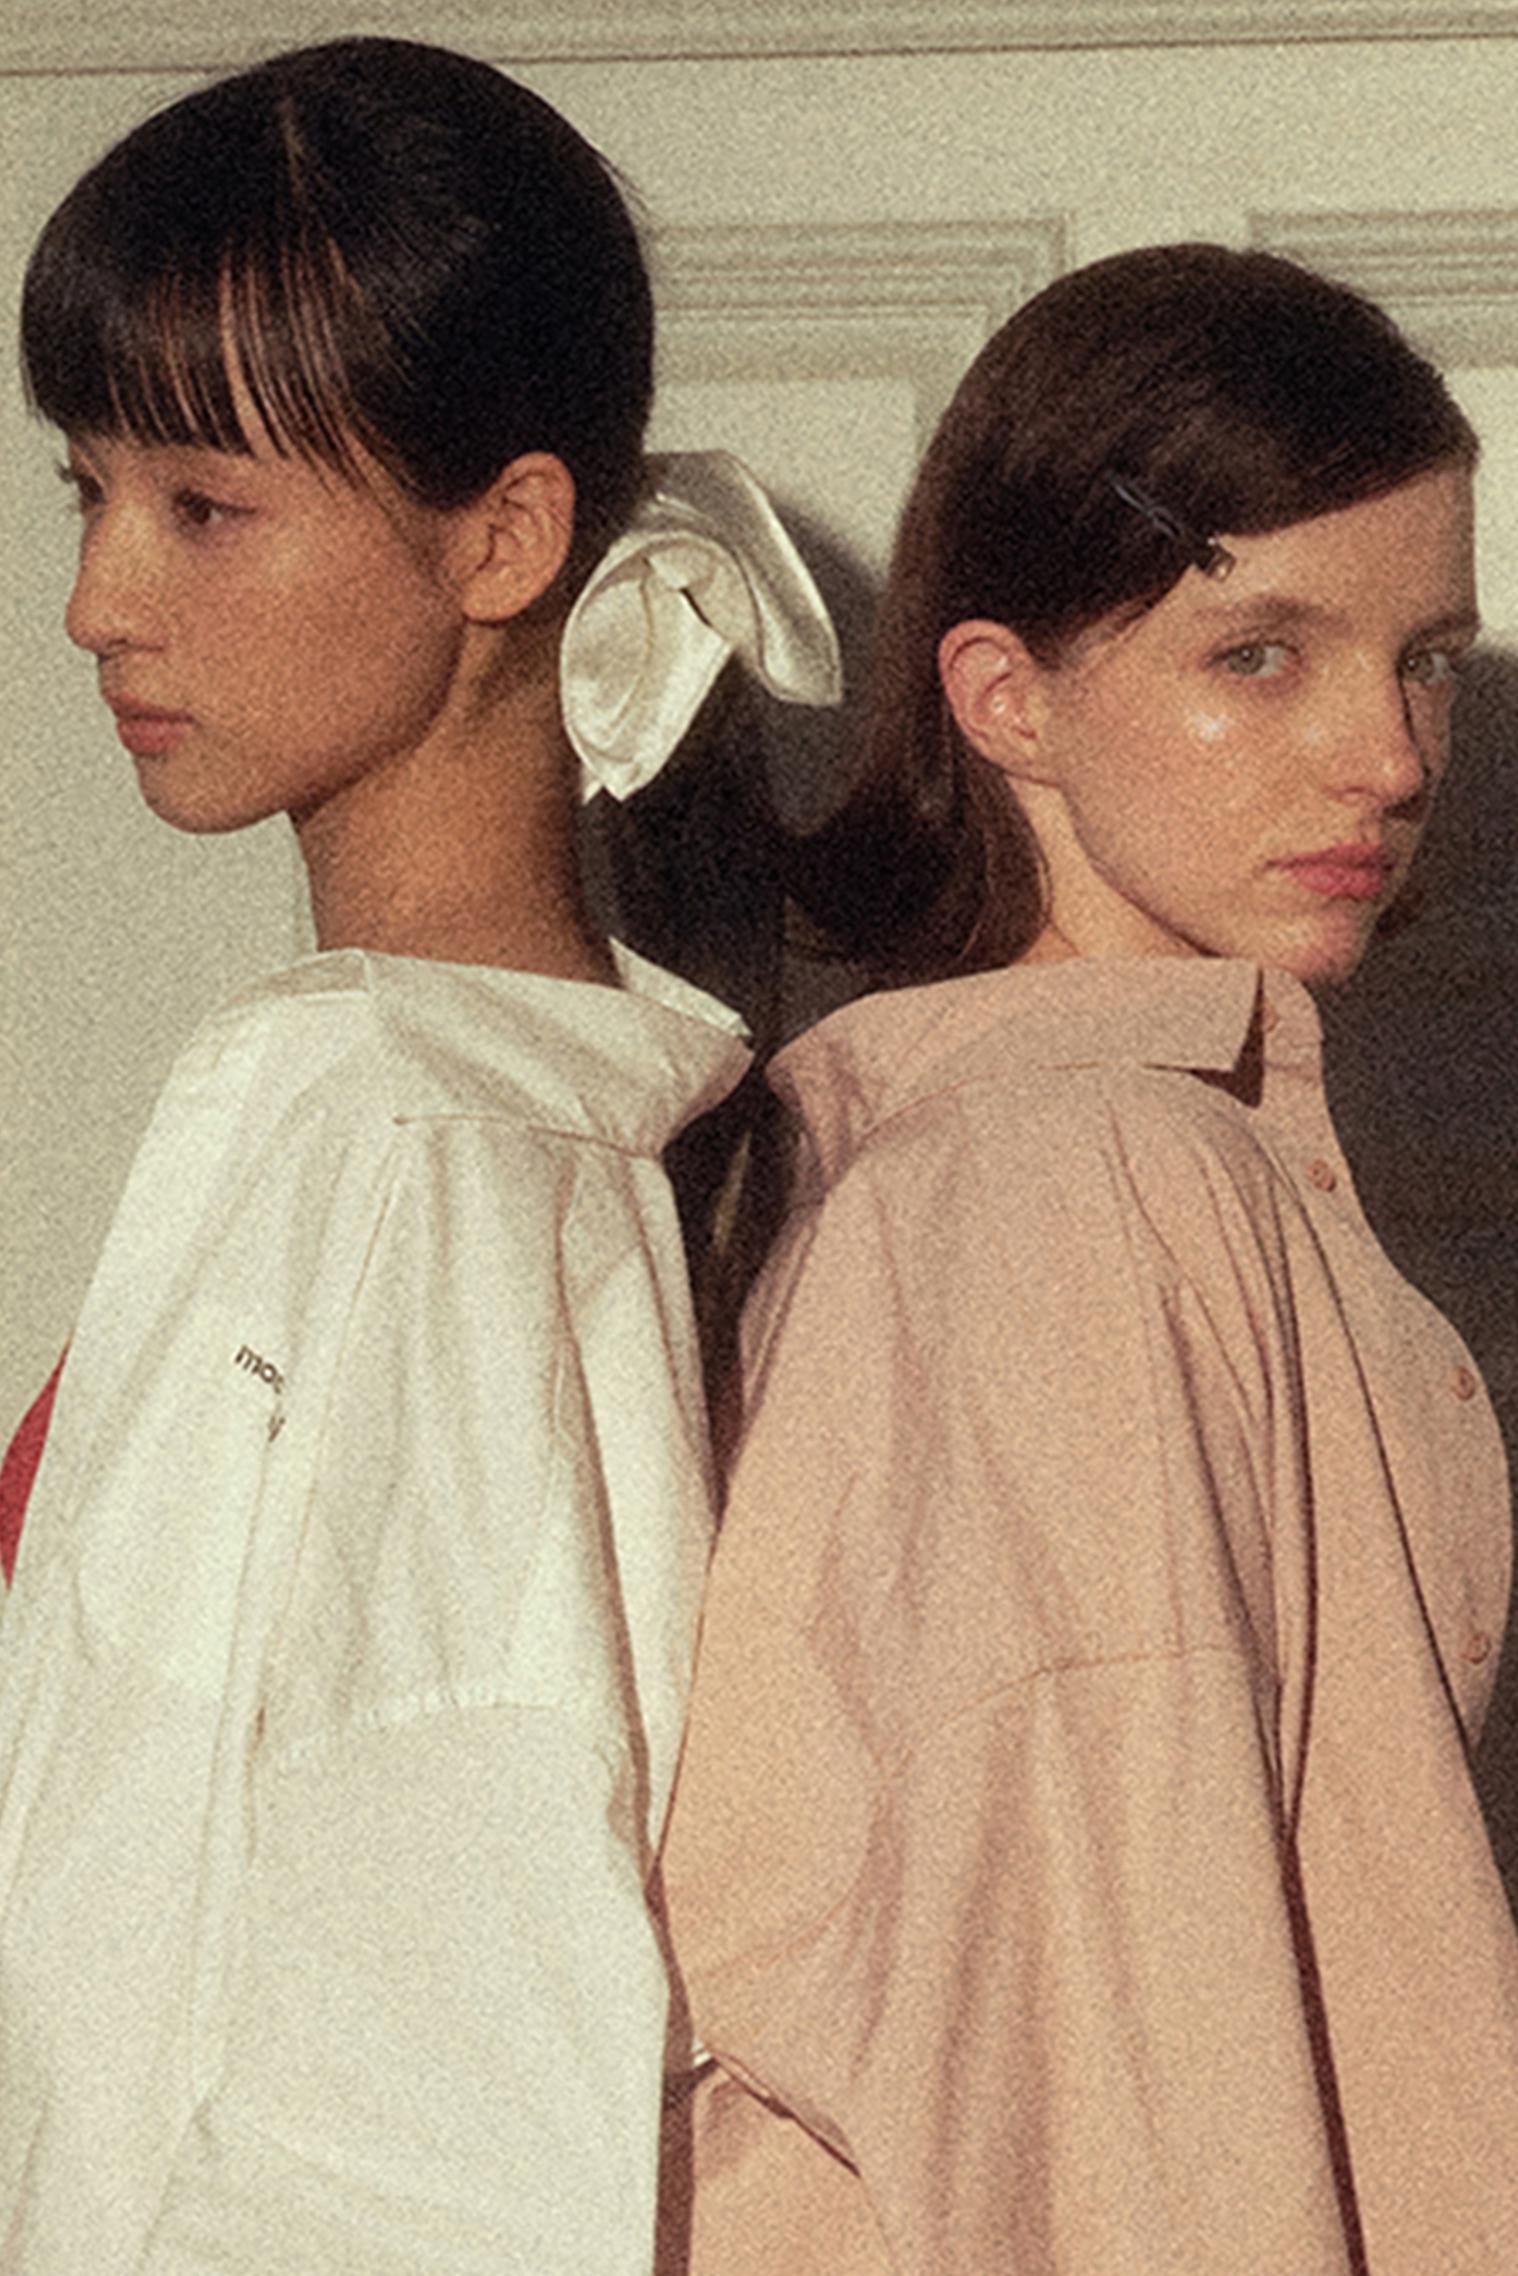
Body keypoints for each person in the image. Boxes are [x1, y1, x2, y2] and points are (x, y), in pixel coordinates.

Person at [0, 36, 837, 2273]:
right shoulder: (470, 1120)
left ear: (509, 537)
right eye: (86, 490)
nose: (98, 598)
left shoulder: (412, 1145)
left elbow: (427, 2070)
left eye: (202, 503)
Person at [655, 245, 1518, 2274]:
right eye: (1261, 654)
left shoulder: (1022, 1158)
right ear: (1006, 698)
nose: (1391, 756)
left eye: (1423, 658)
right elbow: (1128, 2061)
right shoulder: (1087, 1179)